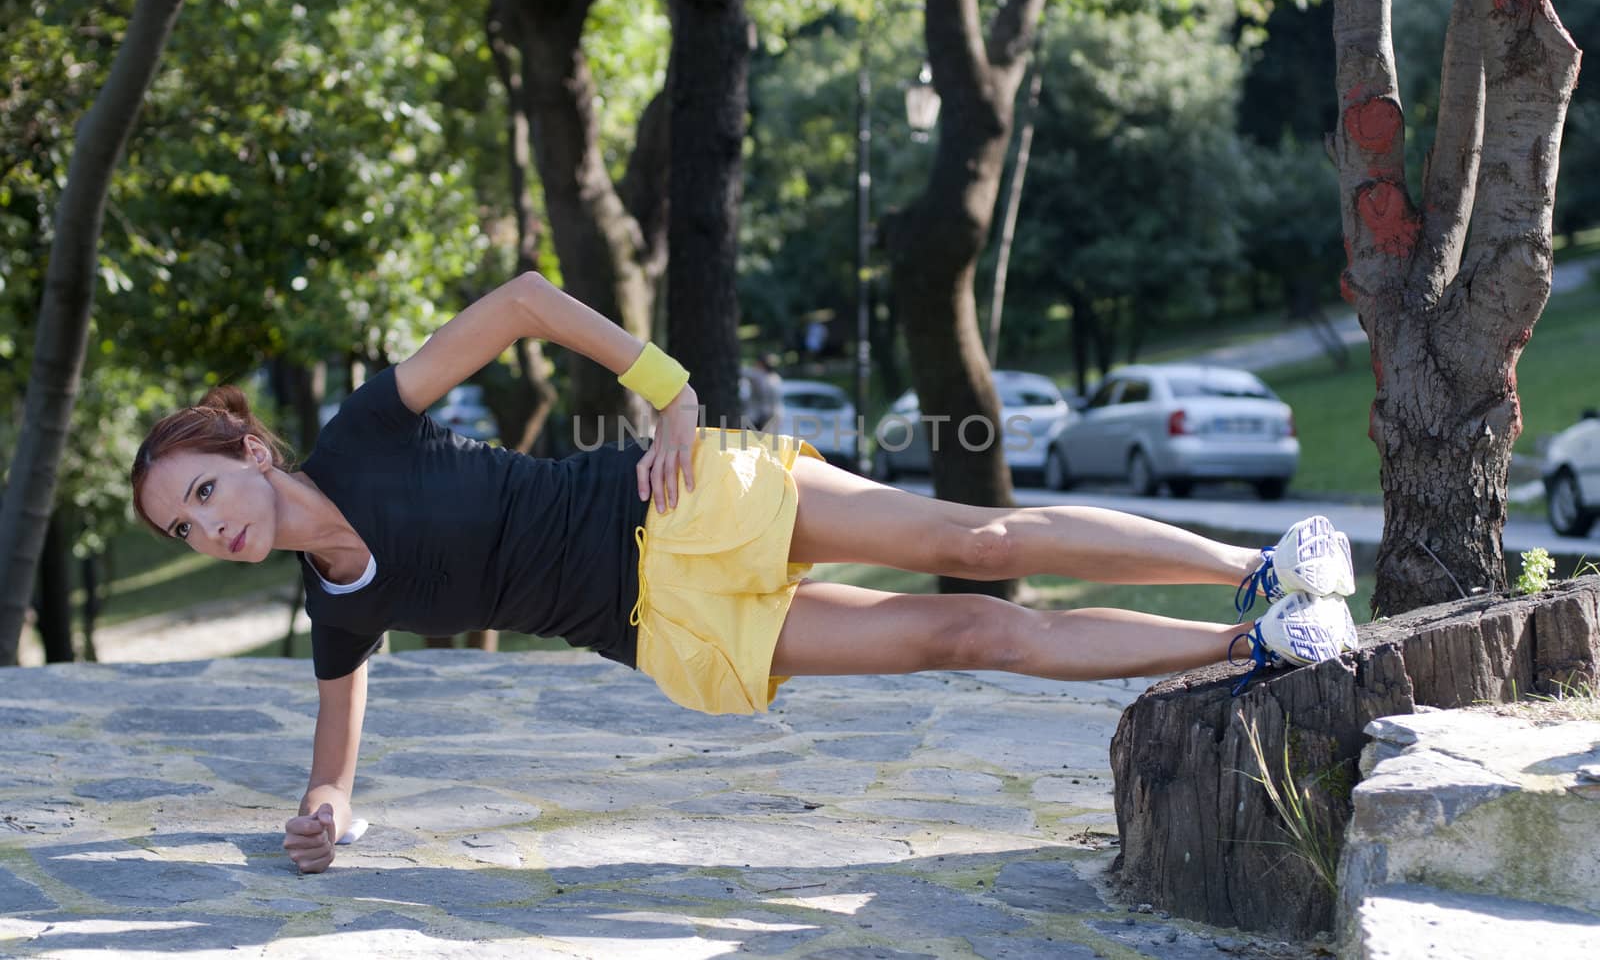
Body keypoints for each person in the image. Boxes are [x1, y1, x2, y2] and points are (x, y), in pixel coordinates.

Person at [128, 271, 1359, 875]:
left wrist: (664, 390)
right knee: (961, 639)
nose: (206, 526)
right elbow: (334, 757)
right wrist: (326, 811)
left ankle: (1253, 565)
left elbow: (518, 302)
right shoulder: (334, 607)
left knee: (972, 547)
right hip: (664, 628)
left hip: (677, 499)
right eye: (181, 530)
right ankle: (1255, 648)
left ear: (243, 449)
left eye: (200, 491)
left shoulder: (362, 428)